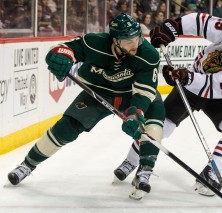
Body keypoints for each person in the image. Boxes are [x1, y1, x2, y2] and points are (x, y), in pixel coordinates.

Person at [114, 13, 222, 197]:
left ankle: (210, 175)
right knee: (161, 126)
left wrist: (186, 77)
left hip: (219, 96)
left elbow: (212, 86)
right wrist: (174, 27)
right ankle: (131, 161)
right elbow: (203, 23)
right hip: (191, 86)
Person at [7, 13, 165, 198]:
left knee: (154, 117)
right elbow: (63, 49)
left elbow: (144, 93)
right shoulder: (94, 42)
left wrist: (134, 115)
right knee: (65, 128)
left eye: (137, 37)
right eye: (128, 40)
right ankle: (27, 165)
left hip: (132, 95)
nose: (135, 43)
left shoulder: (148, 54)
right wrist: (58, 57)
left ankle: (145, 171)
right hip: (97, 93)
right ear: (115, 40)